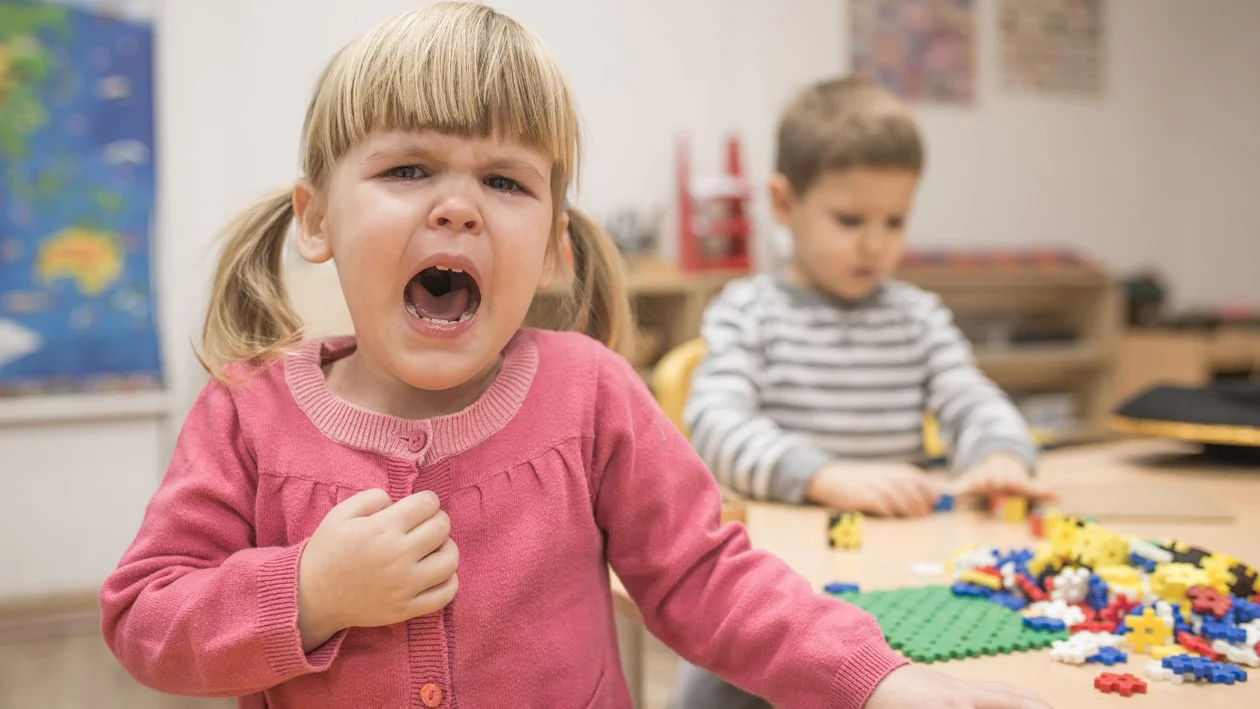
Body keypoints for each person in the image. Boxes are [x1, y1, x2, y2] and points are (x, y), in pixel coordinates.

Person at [99, 7, 1048, 708]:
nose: (458, 206)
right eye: (407, 169)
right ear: (315, 220)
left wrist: (877, 679)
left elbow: (704, 576)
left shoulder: (590, 391)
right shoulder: (245, 412)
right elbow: (145, 617)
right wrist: (304, 594)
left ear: (555, 246)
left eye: (505, 181)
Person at [672, 76, 1056, 707]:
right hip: (780, 586)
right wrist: (824, 474)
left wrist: (1001, 454)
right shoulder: (748, 310)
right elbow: (714, 425)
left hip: (898, 575)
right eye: (850, 220)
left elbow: (971, 396)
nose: (875, 242)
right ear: (784, 203)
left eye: (894, 220)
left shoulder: (917, 314)